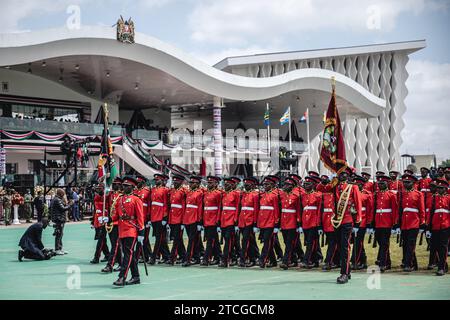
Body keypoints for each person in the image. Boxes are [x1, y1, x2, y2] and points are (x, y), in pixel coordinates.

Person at [110, 176, 145, 286]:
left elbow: (140, 217)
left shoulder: (136, 199)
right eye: (123, 185)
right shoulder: (120, 199)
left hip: (131, 228)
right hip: (122, 228)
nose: (123, 187)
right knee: (130, 254)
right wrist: (108, 219)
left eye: (126, 186)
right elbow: (116, 216)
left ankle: (122, 277)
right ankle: (136, 276)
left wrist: (141, 232)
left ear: (132, 187)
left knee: (127, 254)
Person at [333, 168, 362, 284]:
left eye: (344, 174)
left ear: (348, 175)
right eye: (340, 173)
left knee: (345, 247)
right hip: (337, 221)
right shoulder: (335, 187)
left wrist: (358, 221)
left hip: (348, 221)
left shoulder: (352, 187)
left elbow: (358, 204)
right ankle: (348, 271)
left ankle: (344, 273)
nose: (341, 175)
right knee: (340, 247)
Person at [367, 174, 398, 273]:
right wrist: (371, 224)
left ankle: (382, 263)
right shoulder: (375, 195)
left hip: (387, 222)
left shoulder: (391, 195)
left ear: (387, 183)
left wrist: (395, 224)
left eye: (382, 183)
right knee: (382, 243)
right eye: (379, 183)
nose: (380, 184)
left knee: (384, 244)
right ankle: (387, 262)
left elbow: (395, 210)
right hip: (377, 222)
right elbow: (373, 210)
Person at [398, 174, 426, 272]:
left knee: (410, 244)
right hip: (405, 223)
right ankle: (414, 264)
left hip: (414, 222)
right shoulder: (403, 194)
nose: (405, 184)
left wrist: (422, 221)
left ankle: (408, 264)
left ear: (413, 183)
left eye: (407, 182)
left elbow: (422, 209)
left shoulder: (418, 194)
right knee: (405, 244)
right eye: (404, 182)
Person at [426, 179, 449, 276]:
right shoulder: (434, 198)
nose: (439, 190)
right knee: (435, 246)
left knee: (443, 247)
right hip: (435, 226)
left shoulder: (448, 198)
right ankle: (444, 265)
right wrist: (429, 226)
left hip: (446, 225)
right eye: (438, 188)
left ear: (445, 189)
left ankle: (441, 268)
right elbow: (431, 213)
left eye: (441, 188)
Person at [257, 176, 280, 268]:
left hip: (270, 222)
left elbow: (276, 211)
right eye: (264, 184)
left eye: (267, 184)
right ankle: (273, 260)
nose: (265, 186)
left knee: (267, 242)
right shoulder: (262, 195)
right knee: (267, 242)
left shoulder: (274, 196)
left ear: (272, 185)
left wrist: (276, 225)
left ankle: (262, 259)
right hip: (263, 222)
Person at [299, 175, 322, 269]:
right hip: (305, 221)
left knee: (310, 243)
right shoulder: (303, 196)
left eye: (308, 184)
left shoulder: (318, 195)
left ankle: (306, 260)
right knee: (310, 242)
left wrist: (319, 224)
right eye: (304, 184)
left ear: (313, 185)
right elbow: (302, 209)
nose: (305, 185)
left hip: (314, 221)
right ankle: (315, 261)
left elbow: (319, 210)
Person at [351, 175, 373, 270]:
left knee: (358, 241)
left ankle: (356, 261)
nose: (356, 185)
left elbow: (370, 210)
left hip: (362, 221)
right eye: (354, 183)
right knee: (357, 242)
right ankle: (363, 261)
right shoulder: (350, 193)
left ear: (362, 185)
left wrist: (369, 223)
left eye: (358, 184)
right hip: (351, 220)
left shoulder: (367, 194)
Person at [101, 177, 123, 273]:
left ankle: (110, 265)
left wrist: (112, 219)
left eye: (116, 184)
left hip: (118, 223)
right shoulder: (110, 195)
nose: (113, 186)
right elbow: (103, 200)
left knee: (115, 245)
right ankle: (121, 263)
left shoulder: (121, 196)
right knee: (115, 245)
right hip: (110, 222)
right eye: (113, 184)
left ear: (119, 185)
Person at [218, 178, 241, 268]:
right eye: (225, 185)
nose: (225, 186)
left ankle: (225, 260)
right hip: (224, 220)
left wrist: (235, 221)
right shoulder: (223, 194)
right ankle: (233, 257)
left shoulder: (235, 194)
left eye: (227, 185)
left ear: (232, 185)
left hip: (231, 220)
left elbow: (237, 208)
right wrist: (219, 220)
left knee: (228, 240)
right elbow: (221, 208)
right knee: (226, 240)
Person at [279, 178, 301, 270]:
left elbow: (298, 210)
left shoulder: (296, 196)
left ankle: (285, 261)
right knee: (286, 242)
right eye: (285, 184)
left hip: (292, 223)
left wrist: (298, 224)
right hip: (284, 222)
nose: (285, 186)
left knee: (289, 243)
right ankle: (294, 260)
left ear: (292, 186)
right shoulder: (282, 195)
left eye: (288, 185)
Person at [238, 177, 260, 267]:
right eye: (245, 185)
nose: (245, 186)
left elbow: (256, 209)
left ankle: (244, 259)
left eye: (247, 185)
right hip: (242, 220)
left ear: (252, 185)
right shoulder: (243, 194)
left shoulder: (255, 195)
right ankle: (256, 256)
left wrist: (255, 223)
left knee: (245, 240)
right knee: (251, 240)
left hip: (250, 221)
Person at [182, 176, 204, 267]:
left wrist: (199, 221)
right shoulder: (188, 192)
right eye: (190, 183)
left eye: (193, 183)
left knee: (191, 239)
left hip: (194, 218)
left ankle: (188, 259)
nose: (190, 184)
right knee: (194, 239)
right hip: (187, 218)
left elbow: (200, 208)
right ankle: (197, 257)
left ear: (198, 184)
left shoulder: (200, 193)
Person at [149, 174, 171, 264]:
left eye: (157, 180)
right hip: (154, 216)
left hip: (160, 216)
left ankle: (153, 257)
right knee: (161, 239)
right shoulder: (153, 189)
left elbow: (166, 204)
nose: (156, 181)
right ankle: (167, 256)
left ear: (162, 181)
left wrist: (165, 217)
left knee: (159, 238)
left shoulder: (165, 190)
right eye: (155, 180)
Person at [201, 176, 223, 266]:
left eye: (211, 183)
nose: (208, 184)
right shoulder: (206, 193)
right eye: (208, 183)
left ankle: (206, 258)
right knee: (215, 240)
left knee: (210, 240)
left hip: (213, 220)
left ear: (216, 184)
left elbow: (219, 208)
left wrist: (217, 220)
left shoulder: (218, 193)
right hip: (206, 219)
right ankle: (218, 257)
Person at [167, 174, 187, 265]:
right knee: (178, 239)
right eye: (174, 181)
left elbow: (183, 207)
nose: (175, 182)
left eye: (177, 181)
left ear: (181, 182)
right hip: (172, 218)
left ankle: (172, 257)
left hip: (179, 219)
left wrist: (183, 221)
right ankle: (183, 256)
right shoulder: (172, 191)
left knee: (176, 239)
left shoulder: (183, 192)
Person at [49, 188, 73, 255]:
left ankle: (60, 248)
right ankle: (57, 249)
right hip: (59, 219)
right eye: (63, 193)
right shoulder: (57, 200)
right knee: (59, 234)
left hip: (59, 219)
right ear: (61, 193)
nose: (64, 194)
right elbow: (63, 209)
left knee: (60, 234)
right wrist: (70, 204)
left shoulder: (57, 199)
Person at [91, 184, 110, 264]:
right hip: (97, 219)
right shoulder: (96, 196)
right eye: (97, 188)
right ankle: (107, 255)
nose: (98, 190)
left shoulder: (107, 196)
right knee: (102, 239)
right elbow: (95, 209)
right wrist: (92, 221)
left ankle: (96, 257)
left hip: (104, 219)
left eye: (100, 188)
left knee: (101, 239)